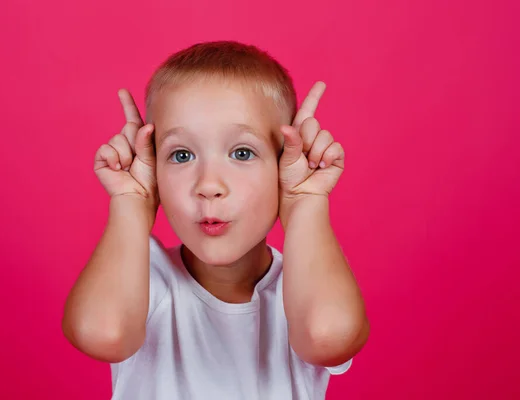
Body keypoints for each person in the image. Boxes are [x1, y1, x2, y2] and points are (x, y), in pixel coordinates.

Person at [62, 40, 370, 400]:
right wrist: (131, 202)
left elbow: (327, 336)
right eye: (181, 155)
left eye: (242, 152)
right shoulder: (142, 275)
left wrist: (306, 201)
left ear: (284, 160)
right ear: (152, 168)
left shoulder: (306, 285)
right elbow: (102, 333)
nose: (208, 185)